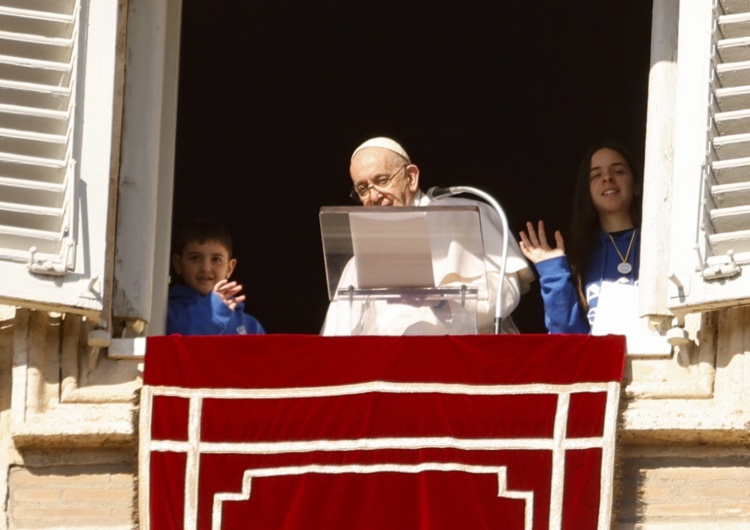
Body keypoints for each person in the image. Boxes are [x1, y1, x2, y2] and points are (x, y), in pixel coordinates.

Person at [321, 136, 534, 335]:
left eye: (382, 180)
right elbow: (336, 337)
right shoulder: (357, 263)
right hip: (386, 370)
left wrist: (441, 300)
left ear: (411, 178)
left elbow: (505, 293)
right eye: (363, 188)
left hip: (459, 363)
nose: (374, 196)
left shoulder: (465, 216)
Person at [519, 141, 642, 334]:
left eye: (618, 171)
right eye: (596, 175)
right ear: (587, 192)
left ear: (636, 185)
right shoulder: (580, 256)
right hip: (602, 363)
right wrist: (553, 272)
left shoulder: (660, 244)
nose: (607, 178)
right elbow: (567, 337)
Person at [167, 219, 265, 335]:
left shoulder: (251, 325)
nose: (206, 268)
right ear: (178, 264)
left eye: (216, 259)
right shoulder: (165, 313)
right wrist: (213, 311)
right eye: (195, 258)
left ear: (230, 268)